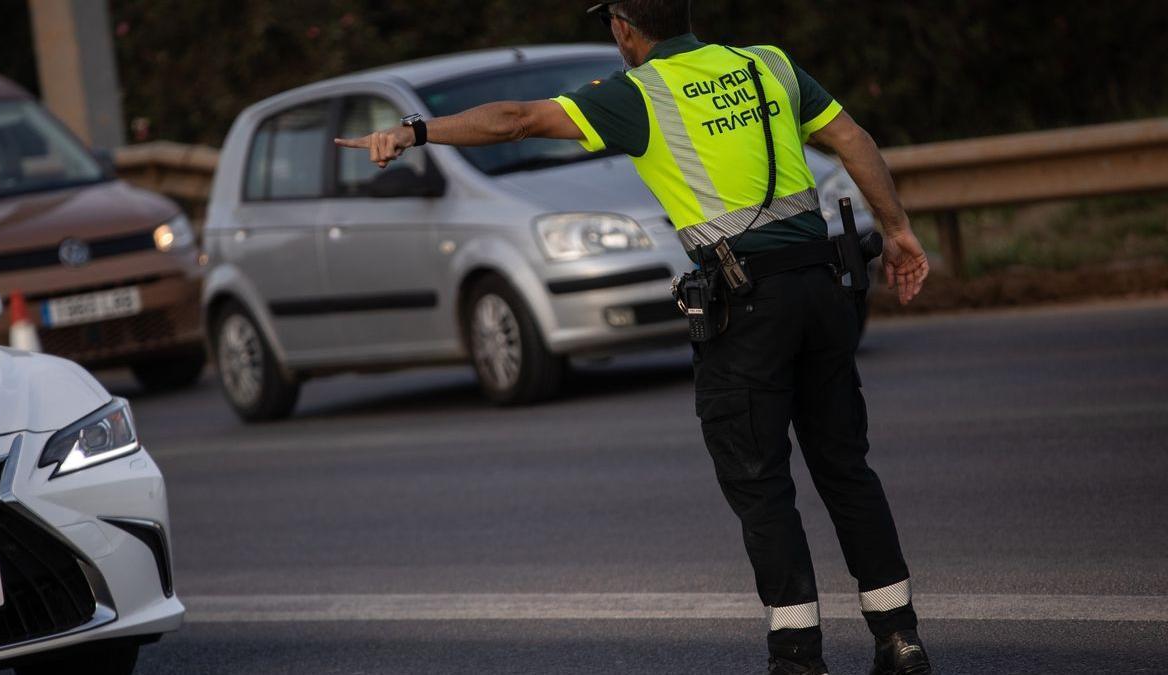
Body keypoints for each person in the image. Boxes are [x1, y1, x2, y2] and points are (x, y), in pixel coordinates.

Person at [335, 2, 932, 673]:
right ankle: (899, 636)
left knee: (760, 481)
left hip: (747, 303)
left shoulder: (642, 92)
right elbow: (851, 138)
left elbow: (516, 120)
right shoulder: (768, 64)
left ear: (624, 26)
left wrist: (415, 131)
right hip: (822, 288)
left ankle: (797, 655)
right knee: (844, 466)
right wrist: (899, 229)